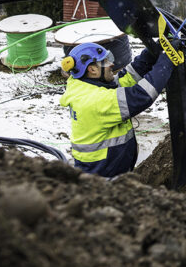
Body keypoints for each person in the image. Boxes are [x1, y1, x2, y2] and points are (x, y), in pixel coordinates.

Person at [59, 41, 175, 177]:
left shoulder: (84, 86)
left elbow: (126, 79)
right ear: (92, 70)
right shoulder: (96, 100)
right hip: (102, 176)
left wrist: (152, 52)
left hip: (102, 168)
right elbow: (141, 96)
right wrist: (167, 60)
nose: (111, 64)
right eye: (105, 61)